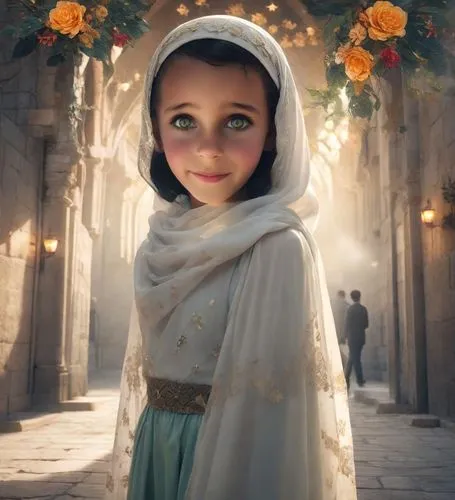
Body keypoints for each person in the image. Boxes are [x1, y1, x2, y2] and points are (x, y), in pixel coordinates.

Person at [106, 15, 356, 500]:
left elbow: (269, 417)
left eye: (237, 121)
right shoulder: (160, 239)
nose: (208, 148)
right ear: (155, 130)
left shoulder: (277, 246)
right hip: (159, 450)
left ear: (272, 132)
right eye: (184, 120)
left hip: (229, 461)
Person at [344, 289, 369, 391]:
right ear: (360, 297)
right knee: (356, 357)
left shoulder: (350, 310)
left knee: (353, 357)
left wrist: (345, 335)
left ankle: (346, 377)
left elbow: (347, 324)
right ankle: (359, 379)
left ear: (351, 298)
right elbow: (366, 324)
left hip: (351, 337)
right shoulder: (363, 309)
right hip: (360, 337)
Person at [332, 289, 350, 368]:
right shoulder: (347, 306)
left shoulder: (332, 305)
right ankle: (343, 366)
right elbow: (348, 321)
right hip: (344, 332)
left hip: (334, 331)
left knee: (335, 351)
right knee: (343, 351)